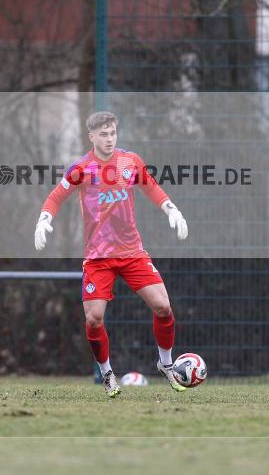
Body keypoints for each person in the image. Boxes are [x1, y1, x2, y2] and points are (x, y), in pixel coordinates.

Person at [34, 111, 189, 398]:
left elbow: (151, 188)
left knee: (164, 307)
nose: (109, 139)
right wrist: (44, 219)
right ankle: (107, 372)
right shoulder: (82, 168)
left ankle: (166, 364)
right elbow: (56, 196)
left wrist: (172, 210)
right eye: (103, 134)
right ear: (91, 136)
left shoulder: (130, 161)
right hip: (98, 258)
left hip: (132, 253)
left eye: (113, 133)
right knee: (94, 318)